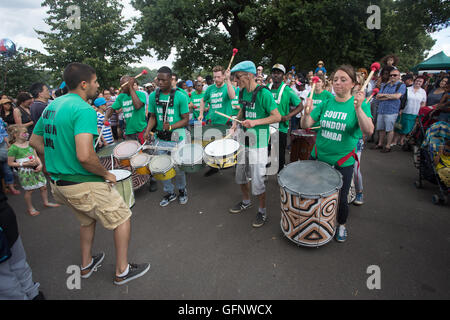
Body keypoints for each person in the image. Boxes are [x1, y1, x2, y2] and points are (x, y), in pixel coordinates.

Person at [30, 62, 150, 285]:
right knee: (123, 218)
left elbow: (35, 141)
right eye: (95, 81)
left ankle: (85, 266)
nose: (98, 85)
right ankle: (122, 271)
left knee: (86, 221)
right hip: (82, 183)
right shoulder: (84, 109)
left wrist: (52, 162)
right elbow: (85, 156)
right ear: (84, 84)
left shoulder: (52, 106)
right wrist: (106, 174)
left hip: (59, 185)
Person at [301, 65, 374, 242]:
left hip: (342, 162)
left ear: (353, 84)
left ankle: (341, 224)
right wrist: (306, 112)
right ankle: (314, 220)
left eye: (343, 79)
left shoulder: (360, 104)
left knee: (340, 198)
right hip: (318, 157)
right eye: (335, 80)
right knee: (313, 192)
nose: (338, 83)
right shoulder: (327, 102)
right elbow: (306, 125)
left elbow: (369, 130)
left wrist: (358, 109)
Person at [228, 60, 281, 228]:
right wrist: (237, 121)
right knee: (240, 173)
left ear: (250, 75)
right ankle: (246, 201)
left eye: (238, 77)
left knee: (258, 179)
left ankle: (262, 211)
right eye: (235, 77)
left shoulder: (264, 94)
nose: (236, 81)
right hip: (244, 138)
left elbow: (277, 117)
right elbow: (243, 108)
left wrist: (256, 122)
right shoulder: (243, 91)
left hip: (259, 141)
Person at [144, 66, 189, 206]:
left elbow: (185, 119)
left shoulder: (180, 96)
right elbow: (152, 116)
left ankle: (182, 190)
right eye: (158, 79)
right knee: (162, 166)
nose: (160, 82)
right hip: (160, 137)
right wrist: (147, 130)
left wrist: (170, 126)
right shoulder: (153, 96)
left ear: (171, 79)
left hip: (177, 136)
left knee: (178, 167)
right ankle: (170, 192)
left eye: (163, 80)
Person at [0, 180, 45, 299]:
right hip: (4, 213)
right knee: (18, 264)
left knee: (4, 277)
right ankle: (33, 294)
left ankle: (30, 294)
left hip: (4, 214)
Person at [7, 125, 60, 216]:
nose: (27, 134)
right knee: (30, 191)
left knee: (43, 186)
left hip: (36, 169)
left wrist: (40, 164)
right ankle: (30, 208)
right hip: (25, 172)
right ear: (15, 135)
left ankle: (46, 202)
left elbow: (36, 156)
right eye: (24, 133)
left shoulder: (29, 143)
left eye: (27, 132)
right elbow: (10, 163)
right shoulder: (13, 148)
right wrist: (23, 164)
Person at [199, 65, 236, 176]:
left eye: (219, 77)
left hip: (225, 122)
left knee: (226, 145)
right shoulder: (210, 88)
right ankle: (213, 167)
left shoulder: (227, 86)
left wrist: (228, 80)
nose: (216, 79)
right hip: (212, 121)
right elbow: (202, 100)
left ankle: (231, 165)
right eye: (214, 77)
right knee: (212, 145)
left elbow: (232, 96)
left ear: (224, 76)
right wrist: (201, 114)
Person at [267, 63, 303, 172]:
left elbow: (300, 105)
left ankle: (280, 174)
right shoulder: (266, 89)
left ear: (283, 76)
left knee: (280, 153)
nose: (275, 75)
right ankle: (264, 172)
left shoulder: (287, 90)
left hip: (280, 128)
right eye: (274, 73)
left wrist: (288, 116)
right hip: (266, 126)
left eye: (278, 73)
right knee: (265, 151)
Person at [105, 75, 147, 144]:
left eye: (123, 85)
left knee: (144, 153)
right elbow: (112, 108)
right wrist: (106, 117)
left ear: (129, 84)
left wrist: (130, 87)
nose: (121, 87)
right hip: (129, 132)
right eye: (120, 85)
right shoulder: (121, 96)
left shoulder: (141, 94)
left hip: (141, 131)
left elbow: (137, 106)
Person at [373, 68, 406, 153]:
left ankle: (388, 146)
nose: (392, 77)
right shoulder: (385, 85)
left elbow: (397, 96)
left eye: (395, 75)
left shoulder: (401, 85)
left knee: (389, 129)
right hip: (381, 110)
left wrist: (383, 95)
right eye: (391, 75)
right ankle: (380, 144)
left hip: (391, 111)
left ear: (399, 76)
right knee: (381, 129)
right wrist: (390, 96)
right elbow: (377, 97)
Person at [393, 76, 427, 147]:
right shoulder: (407, 89)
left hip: (414, 113)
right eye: (417, 80)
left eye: (420, 82)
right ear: (414, 81)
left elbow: (423, 103)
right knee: (398, 126)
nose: (418, 82)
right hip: (404, 111)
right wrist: (400, 109)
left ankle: (401, 141)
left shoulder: (423, 92)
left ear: (422, 83)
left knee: (407, 128)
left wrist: (420, 112)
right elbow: (402, 100)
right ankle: (394, 141)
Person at [0, 118, 20, 195]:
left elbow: (4, 133)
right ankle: (5, 186)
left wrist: (9, 145)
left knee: (7, 169)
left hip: (2, 146)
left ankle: (10, 186)